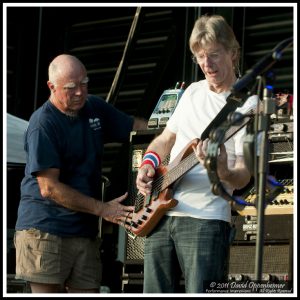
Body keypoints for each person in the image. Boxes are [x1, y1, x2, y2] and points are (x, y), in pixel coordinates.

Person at [136, 14, 258, 293]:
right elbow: (165, 139)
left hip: (205, 219)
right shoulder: (191, 92)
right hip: (159, 214)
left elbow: (242, 177)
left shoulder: (249, 104)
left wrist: (222, 169)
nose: (206, 64)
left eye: (214, 54)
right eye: (200, 57)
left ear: (233, 53)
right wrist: (148, 164)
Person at [14, 54, 147, 293]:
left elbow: (135, 127)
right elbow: (49, 188)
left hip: (83, 231)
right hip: (45, 229)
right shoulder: (43, 124)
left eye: (84, 83)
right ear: (51, 87)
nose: (79, 92)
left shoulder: (93, 107)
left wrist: (174, 129)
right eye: (71, 87)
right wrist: (103, 209)